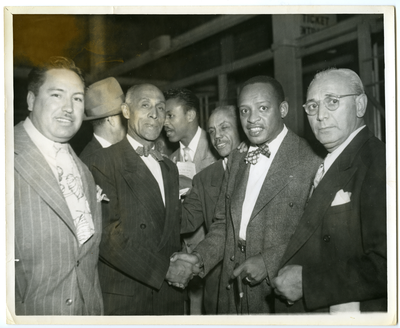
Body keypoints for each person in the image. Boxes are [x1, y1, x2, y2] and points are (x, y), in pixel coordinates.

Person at [171, 76, 321, 314]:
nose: (251, 119)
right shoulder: (237, 159)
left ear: (283, 109)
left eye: (262, 108)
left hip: (277, 296)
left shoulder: (311, 160)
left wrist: (268, 262)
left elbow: (317, 236)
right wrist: (199, 258)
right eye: (244, 111)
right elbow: (223, 225)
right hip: (231, 294)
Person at [271, 68, 387, 314]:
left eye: (332, 102)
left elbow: (389, 265)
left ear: (360, 105)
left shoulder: (379, 162)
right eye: (312, 106)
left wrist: (308, 282)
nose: (320, 115)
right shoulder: (331, 159)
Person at [85, 83, 197, 315]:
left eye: (161, 108)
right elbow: (107, 235)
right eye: (145, 105)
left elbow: (170, 229)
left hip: (169, 298)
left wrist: (191, 260)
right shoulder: (102, 161)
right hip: (127, 298)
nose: (154, 115)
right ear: (126, 111)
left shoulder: (168, 167)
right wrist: (165, 270)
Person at [14, 56, 103, 315]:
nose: (68, 108)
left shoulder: (83, 171)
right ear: (31, 100)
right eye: (57, 95)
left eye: (77, 99)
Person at [180, 105, 242, 314]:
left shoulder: (262, 167)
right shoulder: (205, 178)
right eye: (212, 131)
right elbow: (184, 220)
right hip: (218, 286)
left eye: (224, 127)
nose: (217, 136)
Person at [164, 88, 219, 314]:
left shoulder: (219, 150)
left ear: (190, 115)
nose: (164, 122)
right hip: (183, 261)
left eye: (170, 115)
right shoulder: (170, 160)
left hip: (214, 259)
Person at [79, 77, 126, 163]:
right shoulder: (91, 162)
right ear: (112, 120)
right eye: (124, 118)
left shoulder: (122, 149)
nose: (128, 121)